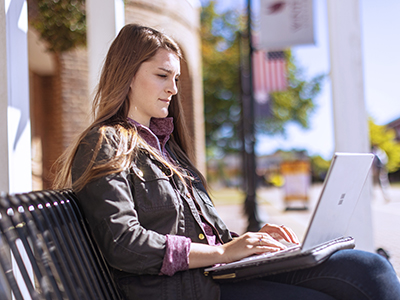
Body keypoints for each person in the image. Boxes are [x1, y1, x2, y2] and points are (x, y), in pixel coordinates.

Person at [54, 24, 400, 300]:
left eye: (175, 79)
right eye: (162, 76)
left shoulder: (168, 148)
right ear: (128, 75)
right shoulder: (105, 143)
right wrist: (225, 252)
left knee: (369, 269)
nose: (173, 88)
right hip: (181, 287)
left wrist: (250, 243)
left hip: (216, 273)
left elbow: (202, 234)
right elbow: (124, 244)